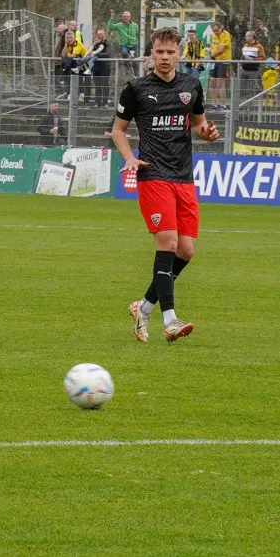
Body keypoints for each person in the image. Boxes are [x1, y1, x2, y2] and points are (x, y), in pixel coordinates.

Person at [114, 27, 219, 344]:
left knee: (186, 251)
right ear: (151, 54)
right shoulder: (136, 88)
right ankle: (170, 320)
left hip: (183, 177)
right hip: (153, 175)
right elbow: (118, 131)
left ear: (179, 54)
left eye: (170, 52)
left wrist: (207, 134)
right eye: (159, 51)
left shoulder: (191, 85)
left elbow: (199, 124)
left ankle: (142, 307)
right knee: (168, 244)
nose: (164, 57)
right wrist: (130, 157)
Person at [86, 28, 113, 102]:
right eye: (98, 34)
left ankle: (104, 102)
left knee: (104, 85)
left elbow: (108, 54)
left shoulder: (108, 43)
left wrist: (96, 54)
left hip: (105, 66)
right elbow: (90, 51)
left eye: (101, 34)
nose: (100, 36)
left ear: (104, 35)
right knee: (97, 86)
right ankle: (97, 102)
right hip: (96, 67)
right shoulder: (95, 43)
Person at [208, 21, 232, 105]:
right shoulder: (214, 35)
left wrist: (211, 55)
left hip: (223, 62)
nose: (215, 32)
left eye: (216, 30)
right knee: (212, 84)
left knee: (220, 84)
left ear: (220, 28)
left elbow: (221, 50)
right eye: (213, 30)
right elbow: (212, 45)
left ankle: (223, 105)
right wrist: (210, 51)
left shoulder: (225, 35)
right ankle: (214, 104)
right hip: (214, 61)